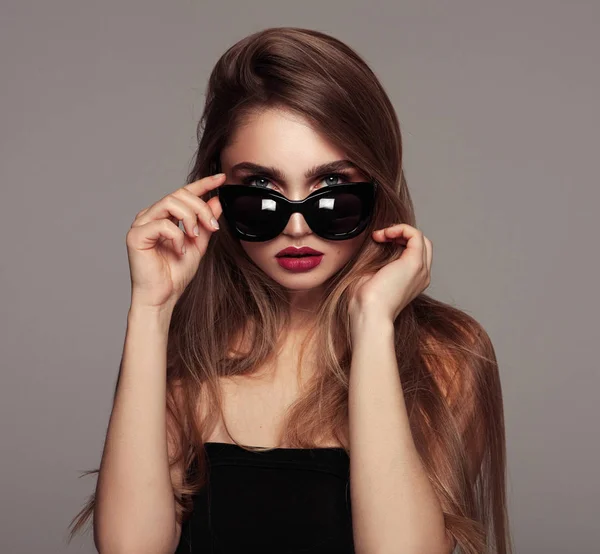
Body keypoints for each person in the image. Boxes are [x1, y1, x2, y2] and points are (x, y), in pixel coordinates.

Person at [67, 26, 511, 554]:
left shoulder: (447, 356)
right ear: (215, 192)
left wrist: (371, 326)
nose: (296, 227)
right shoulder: (189, 349)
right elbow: (130, 549)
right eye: (261, 193)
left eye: (330, 192)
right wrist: (151, 308)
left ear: (377, 186)